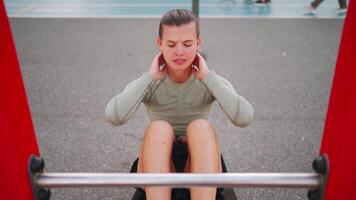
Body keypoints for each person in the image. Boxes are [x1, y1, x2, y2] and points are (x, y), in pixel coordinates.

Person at [105, 9, 254, 200]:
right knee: (159, 129)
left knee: (200, 127)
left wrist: (208, 77)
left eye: (187, 44)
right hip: (158, 157)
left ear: (198, 43)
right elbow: (113, 115)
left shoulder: (208, 80)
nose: (179, 52)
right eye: (171, 44)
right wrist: (149, 77)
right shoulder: (151, 81)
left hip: (200, 157)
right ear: (159, 44)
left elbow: (245, 117)